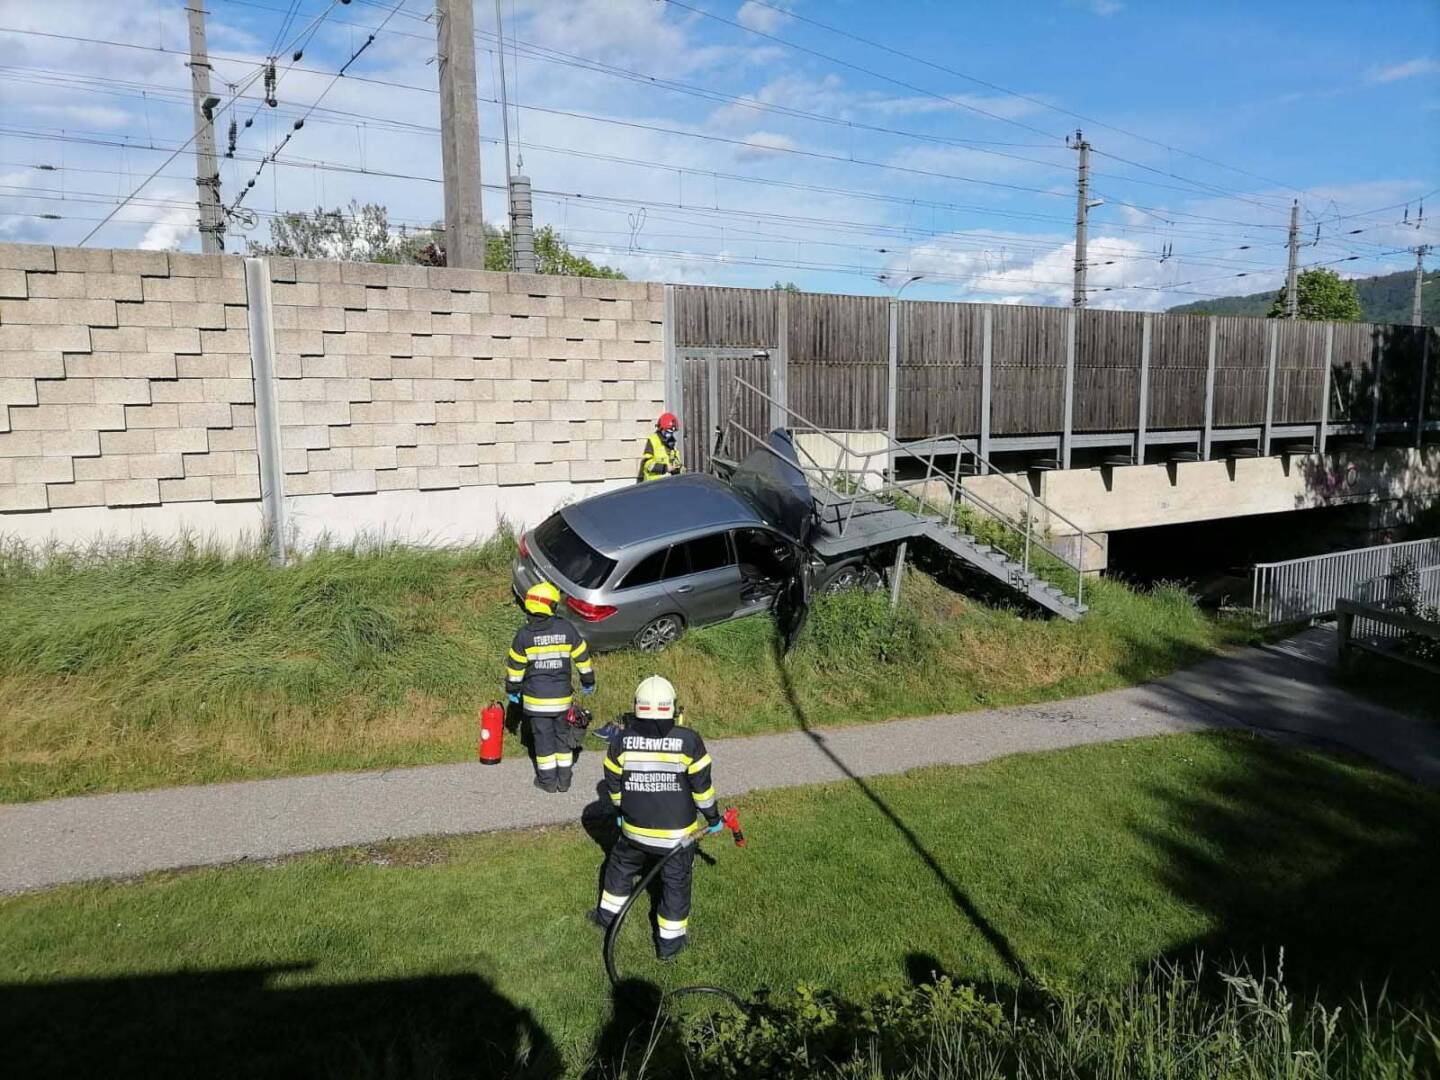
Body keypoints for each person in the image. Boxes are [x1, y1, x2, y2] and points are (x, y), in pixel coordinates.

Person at [592, 675, 721, 960]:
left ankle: (606, 918)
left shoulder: (621, 740)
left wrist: (620, 812)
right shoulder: (689, 741)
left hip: (634, 832)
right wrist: (713, 818)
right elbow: (702, 788)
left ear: (636, 707)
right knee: (675, 885)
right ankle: (669, 946)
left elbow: (613, 783)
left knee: (619, 870)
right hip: (678, 838)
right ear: (673, 708)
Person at [505, 581, 595, 793]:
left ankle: (547, 782)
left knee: (543, 742)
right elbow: (582, 658)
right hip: (561, 700)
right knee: (562, 739)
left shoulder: (523, 635)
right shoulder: (566, 629)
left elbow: (515, 668)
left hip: (536, 703)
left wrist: (512, 691)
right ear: (551, 606)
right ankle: (564, 781)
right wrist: (588, 681)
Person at [637, 412, 682, 482]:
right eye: (668, 431)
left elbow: (676, 464)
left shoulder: (671, 443)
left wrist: (677, 468)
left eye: (672, 432)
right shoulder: (653, 441)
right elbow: (647, 465)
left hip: (669, 484)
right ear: (661, 429)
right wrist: (665, 468)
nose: (670, 434)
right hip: (654, 485)